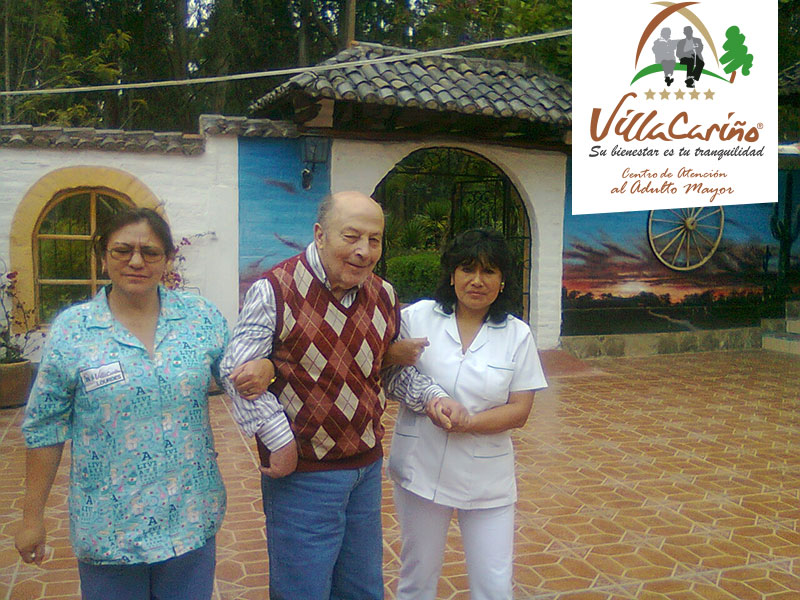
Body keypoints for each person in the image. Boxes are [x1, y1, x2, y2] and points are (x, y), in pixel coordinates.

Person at [221, 190, 441, 600]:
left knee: (362, 588)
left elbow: (387, 371)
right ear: (320, 234)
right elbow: (236, 370)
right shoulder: (276, 289)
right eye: (351, 236)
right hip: (303, 475)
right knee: (302, 589)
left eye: (374, 240)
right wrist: (279, 440)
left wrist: (432, 398)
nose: (363, 251)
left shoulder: (384, 294)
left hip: (365, 467)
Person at [14, 208, 228, 600]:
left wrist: (264, 369)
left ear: (167, 259)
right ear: (103, 256)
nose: (136, 261)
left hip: (190, 517)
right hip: (110, 527)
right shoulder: (73, 330)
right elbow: (45, 426)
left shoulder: (201, 319)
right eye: (122, 250)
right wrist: (32, 517)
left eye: (150, 252)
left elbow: (239, 378)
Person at [385, 228, 548, 600]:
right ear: (451, 274)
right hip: (421, 470)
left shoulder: (517, 335)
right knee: (417, 578)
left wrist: (469, 423)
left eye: (489, 271)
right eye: (467, 269)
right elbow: (388, 373)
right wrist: (427, 396)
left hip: (487, 478)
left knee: (494, 585)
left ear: (503, 280)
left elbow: (520, 410)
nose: (477, 280)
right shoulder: (417, 317)